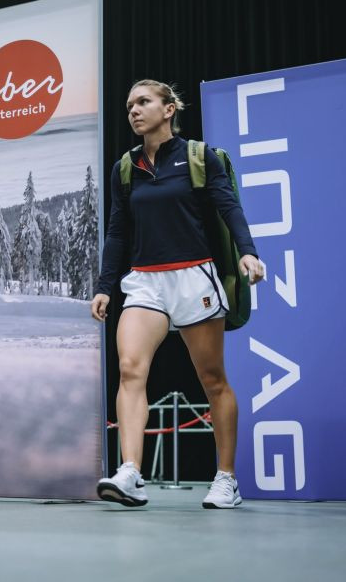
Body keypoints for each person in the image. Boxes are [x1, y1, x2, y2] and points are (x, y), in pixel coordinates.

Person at [92, 79, 264, 509]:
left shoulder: (200, 157)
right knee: (130, 369)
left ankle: (226, 478)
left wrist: (248, 254)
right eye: (129, 103)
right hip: (145, 280)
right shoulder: (125, 168)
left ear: (169, 109)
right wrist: (104, 286)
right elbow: (117, 231)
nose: (133, 110)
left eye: (144, 102)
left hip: (194, 278)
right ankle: (131, 471)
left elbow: (229, 208)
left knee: (212, 380)